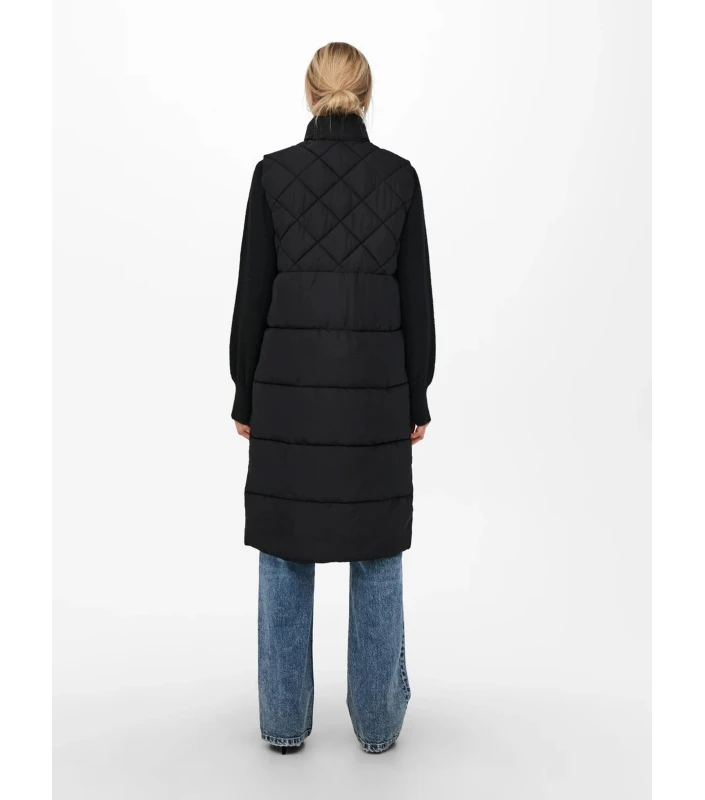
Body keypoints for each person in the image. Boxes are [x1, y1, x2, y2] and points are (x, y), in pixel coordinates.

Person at [229, 42, 435, 754]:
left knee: (287, 548)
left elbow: (252, 294)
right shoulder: (399, 178)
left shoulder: (272, 175)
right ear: (366, 96)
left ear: (309, 94)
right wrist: (417, 397)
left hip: (286, 400)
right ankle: (378, 725)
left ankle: (284, 723)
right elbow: (417, 301)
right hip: (376, 400)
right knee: (376, 549)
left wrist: (244, 393)